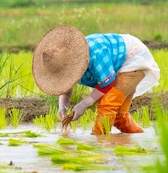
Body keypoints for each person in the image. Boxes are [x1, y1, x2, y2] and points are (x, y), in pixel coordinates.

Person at [32, 25, 160, 134]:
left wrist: (84, 104)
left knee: (108, 105)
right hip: (115, 66)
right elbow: (67, 87)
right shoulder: (66, 61)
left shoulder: (95, 55)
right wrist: (62, 107)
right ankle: (138, 138)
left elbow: (107, 83)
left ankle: (100, 140)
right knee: (119, 116)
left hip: (133, 58)